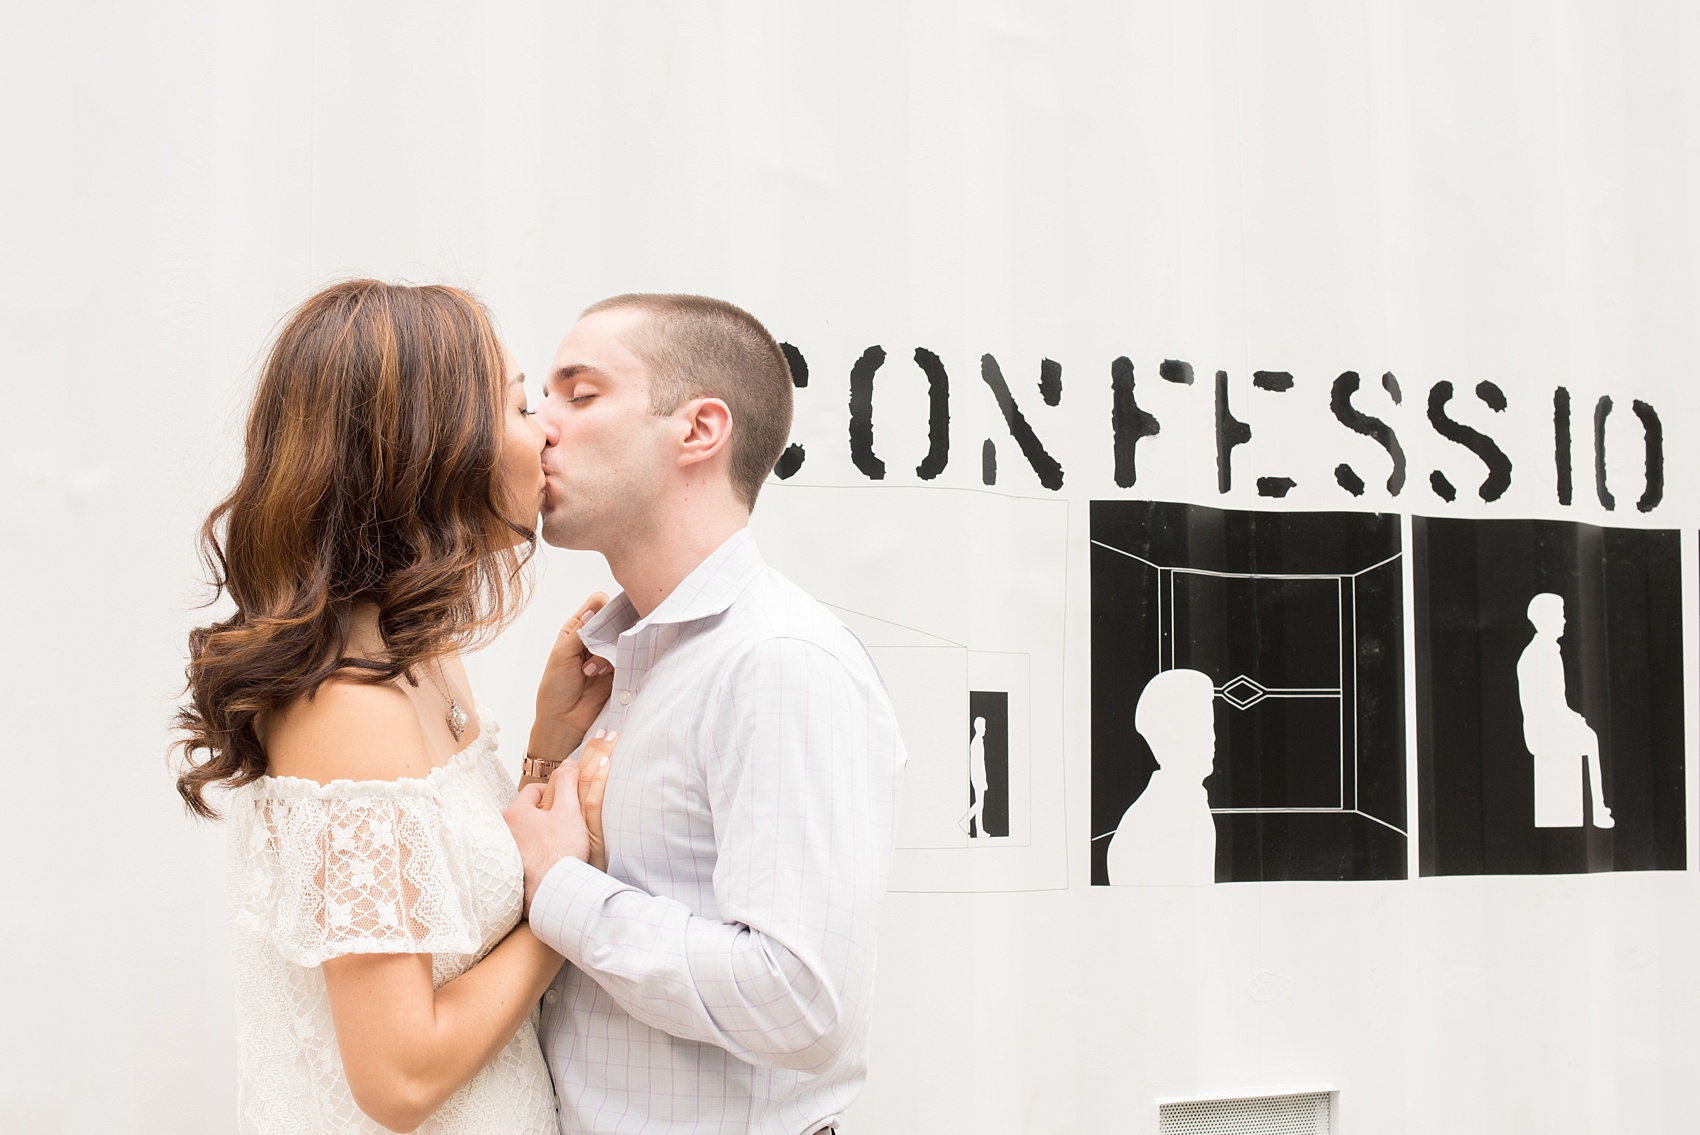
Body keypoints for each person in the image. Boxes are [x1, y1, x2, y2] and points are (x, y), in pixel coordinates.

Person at [174, 280, 619, 1134]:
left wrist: (547, 745)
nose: (548, 430)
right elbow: (401, 1075)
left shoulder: (417, 651)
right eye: (524, 406)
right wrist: (571, 898)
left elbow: (459, 903)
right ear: (434, 448)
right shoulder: (347, 704)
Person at [501, 294, 907, 1135]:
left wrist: (563, 892)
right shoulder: (620, 664)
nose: (542, 426)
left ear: (699, 430)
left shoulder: (780, 662)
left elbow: (801, 1001)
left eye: (580, 395)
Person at [1105, 668, 1219, 886]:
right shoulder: (1152, 820)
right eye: (1203, 727)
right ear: (1171, 736)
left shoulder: (1186, 805)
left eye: (1210, 726)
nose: (1213, 739)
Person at [1516, 592, 1614, 829]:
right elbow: (1547, 705)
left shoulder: (1543, 651)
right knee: (1590, 738)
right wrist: (1573, 719)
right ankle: (1598, 810)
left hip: (1548, 725)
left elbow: (1554, 702)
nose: (1564, 621)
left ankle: (1598, 808)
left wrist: (1571, 717)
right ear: (1547, 619)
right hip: (1544, 732)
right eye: (1560, 616)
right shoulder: (1541, 654)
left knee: (1588, 735)